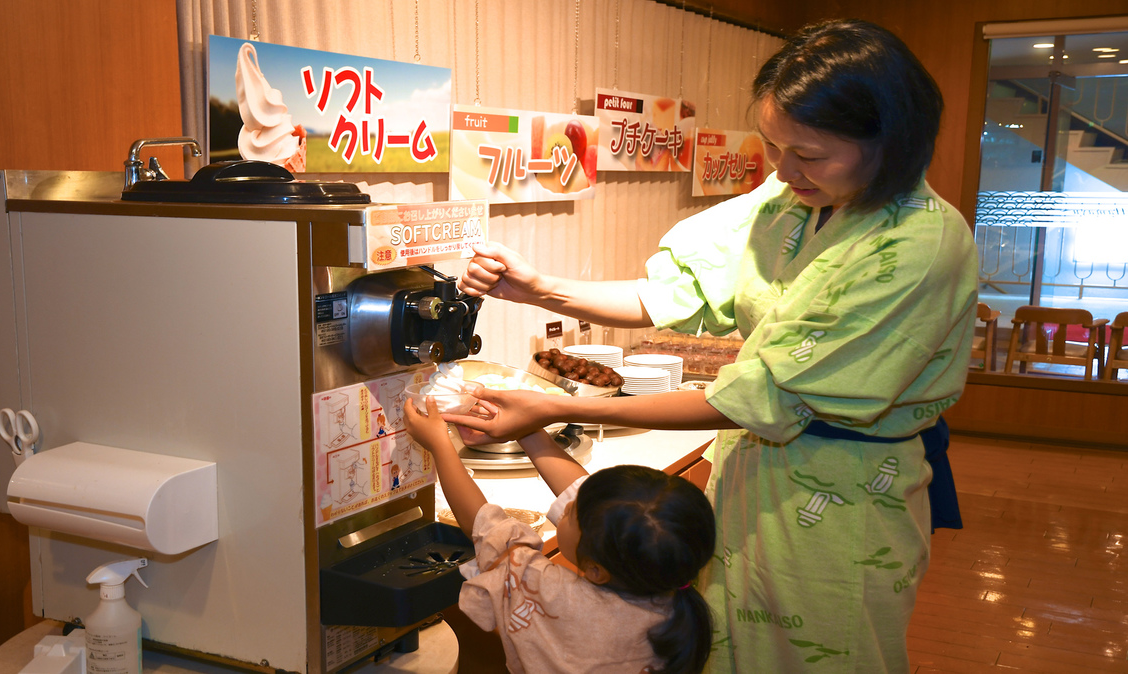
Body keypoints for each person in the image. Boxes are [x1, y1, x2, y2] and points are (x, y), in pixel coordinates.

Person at [443, 18, 977, 673]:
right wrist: (541, 290)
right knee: (725, 641)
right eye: (775, 147)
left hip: (844, 492)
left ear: (889, 142)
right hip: (749, 470)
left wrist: (553, 409)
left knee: (822, 650)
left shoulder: (915, 248)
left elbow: (755, 395)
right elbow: (666, 293)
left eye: (807, 154)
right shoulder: (793, 199)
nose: (783, 170)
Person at [404, 396, 716, 674]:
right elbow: (596, 504)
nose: (563, 508)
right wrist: (527, 429)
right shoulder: (672, 599)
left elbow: (485, 527)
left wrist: (440, 445)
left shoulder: (554, 596)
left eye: (569, 512)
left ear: (596, 569)